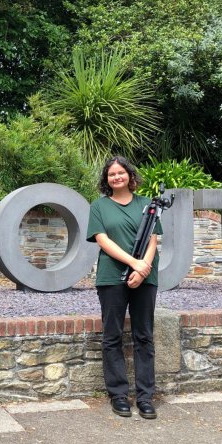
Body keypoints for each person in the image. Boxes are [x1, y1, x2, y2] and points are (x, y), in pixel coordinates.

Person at [86, 156, 162, 419]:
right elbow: (102, 240)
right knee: (112, 336)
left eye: (121, 173)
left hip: (145, 277)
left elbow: (153, 240)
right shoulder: (99, 207)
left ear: (130, 175)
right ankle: (118, 395)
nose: (116, 177)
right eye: (111, 174)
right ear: (106, 179)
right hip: (111, 277)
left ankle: (145, 397)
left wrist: (142, 270)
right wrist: (133, 263)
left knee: (144, 336)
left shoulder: (146, 205)